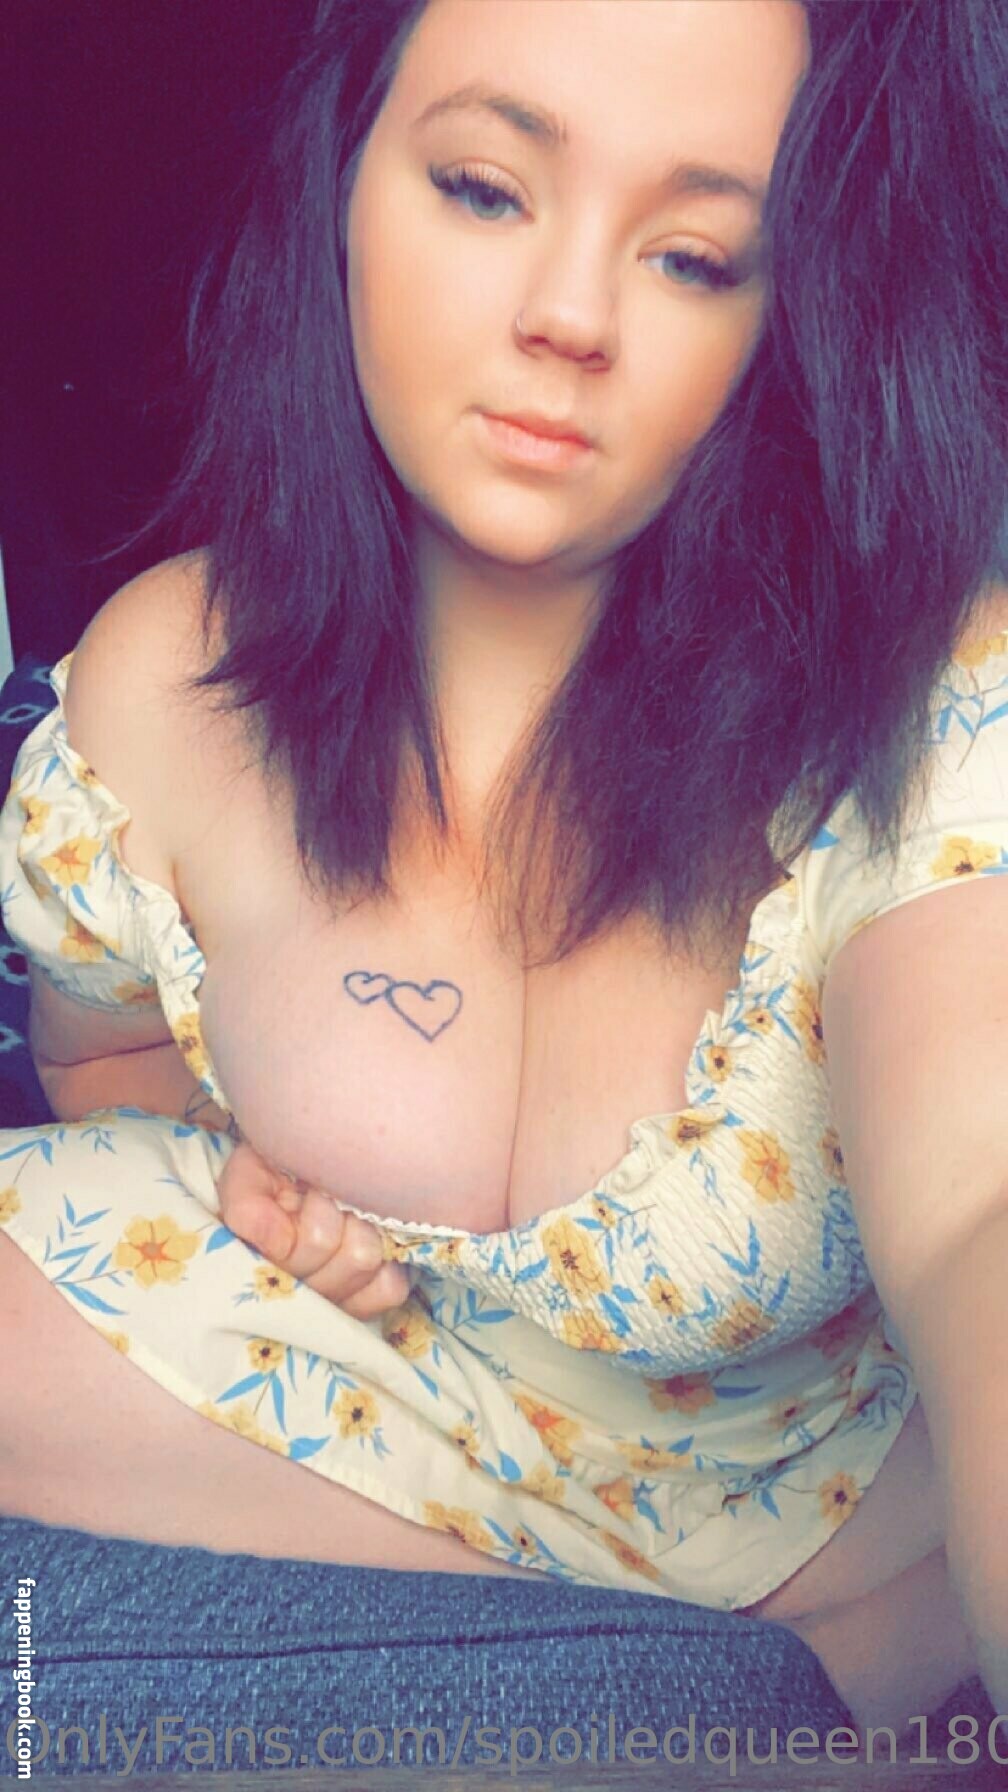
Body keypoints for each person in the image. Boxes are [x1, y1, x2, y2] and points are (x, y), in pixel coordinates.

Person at [2, 0, 1007, 1752]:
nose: (571, 316)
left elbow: (981, 1208)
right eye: (484, 188)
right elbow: (105, 1055)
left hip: (826, 1575)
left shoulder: (930, 716)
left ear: (793, 312)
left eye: (694, 257)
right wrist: (263, 1195)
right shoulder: (158, 690)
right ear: (345, 176)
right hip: (391, 1418)